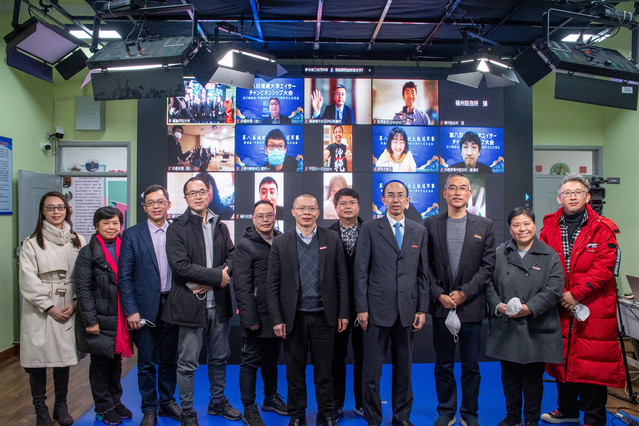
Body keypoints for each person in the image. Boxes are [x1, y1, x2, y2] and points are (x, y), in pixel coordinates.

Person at [539, 175, 624, 426]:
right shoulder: (548, 227)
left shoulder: (603, 228)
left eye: (578, 192)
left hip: (593, 306)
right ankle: (568, 410)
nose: (572, 196)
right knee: (562, 359)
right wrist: (559, 293)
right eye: (567, 192)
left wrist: (576, 293)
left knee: (593, 364)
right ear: (559, 198)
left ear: (587, 197)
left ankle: (594, 418)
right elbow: (542, 262)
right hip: (560, 304)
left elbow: (604, 267)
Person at [162, 177, 240, 426]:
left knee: (219, 357)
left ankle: (217, 402)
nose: (198, 196)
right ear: (185, 198)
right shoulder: (177, 228)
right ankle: (187, 411)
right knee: (187, 363)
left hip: (219, 305)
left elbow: (233, 257)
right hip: (190, 306)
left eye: (202, 191)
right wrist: (217, 277)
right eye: (192, 192)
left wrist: (215, 280)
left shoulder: (220, 226)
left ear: (209, 194)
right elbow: (180, 266)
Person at [267, 193, 349, 426]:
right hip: (293, 318)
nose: (306, 212)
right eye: (301, 208)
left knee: (325, 370)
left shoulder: (331, 238)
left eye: (311, 208)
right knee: (295, 371)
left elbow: (342, 278)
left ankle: (327, 412)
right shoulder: (281, 242)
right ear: (293, 212)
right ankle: (297, 414)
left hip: (325, 316)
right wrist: (277, 319)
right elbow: (272, 284)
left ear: (318, 212)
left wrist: (343, 312)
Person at [423, 172, 495, 426]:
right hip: (441, 306)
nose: (457, 192)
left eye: (463, 188)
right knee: (443, 364)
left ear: (469, 194)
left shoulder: (484, 225)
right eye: (452, 188)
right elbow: (425, 266)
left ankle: (469, 413)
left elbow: (487, 267)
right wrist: (438, 294)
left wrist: (465, 293)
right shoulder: (430, 224)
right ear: (444, 193)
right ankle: (446, 411)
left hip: (471, 307)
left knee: (471, 366)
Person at [354, 180, 428, 426]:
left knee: (404, 370)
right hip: (376, 311)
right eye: (390, 195)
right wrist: (362, 308)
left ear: (407, 200)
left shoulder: (419, 230)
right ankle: (373, 419)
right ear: (383, 199)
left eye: (400, 195)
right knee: (371, 372)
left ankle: (401, 418)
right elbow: (361, 272)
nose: (395, 200)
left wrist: (422, 308)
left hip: (407, 311)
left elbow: (423, 274)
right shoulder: (370, 229)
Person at [485, 206, 564, 426]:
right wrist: (498, 305)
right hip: (506, 325)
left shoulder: (549, 255)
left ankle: (531, 419)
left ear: (535, 226)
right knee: (509, 376)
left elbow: (555, 288)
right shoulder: (499, 253)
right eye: (516, 225)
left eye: (526, 224)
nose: (522, 229)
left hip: (536, 325)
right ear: (510, 229)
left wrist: (529, 308)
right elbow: (488, 284)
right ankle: (512, 416)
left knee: (532, 378)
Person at [19, 192, 85, 426]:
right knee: (37, 360)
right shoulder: (32, 243)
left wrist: (76, 303)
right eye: (50, 208)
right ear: (42, 212)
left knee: (62, 359)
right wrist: (49, 307)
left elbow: (85, 275)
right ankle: (40, 408)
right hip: (40, 308)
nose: (56, 212)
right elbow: (27, 279)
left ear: (67, 210)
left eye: (60, 207)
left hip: (69, 303)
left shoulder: (78, 240)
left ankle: (61, 405)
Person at [118, 185, 181, 426]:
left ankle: (167, 402)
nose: (156, 206)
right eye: (151, 203)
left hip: (173, 305)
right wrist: (131, 310)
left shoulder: (178, 232)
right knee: (145, 363)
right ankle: (149, 408)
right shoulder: (132, 235)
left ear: (168, 204)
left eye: (160, 202)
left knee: (169, 359)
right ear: (144, 207)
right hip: (143, 308)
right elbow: (124, 276)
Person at [75, 206, 134, 426]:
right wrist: (90, 321)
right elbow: (83, 289)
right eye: (106, 223)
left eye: (115, 223)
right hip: (98, 318)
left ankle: (115, 401)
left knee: (116, 361)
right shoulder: (87, 253)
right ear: (97, 226)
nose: (111, 227)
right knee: (100, 363)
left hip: (119, 316)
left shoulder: (126, 247)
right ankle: (103, 407)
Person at [234, 200, 289, 426]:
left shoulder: (282, 240)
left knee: (271, 359)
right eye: (260, 216)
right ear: (253, 219)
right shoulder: (245, 245)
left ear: (274, 217)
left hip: (276, 315)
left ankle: (270, 398)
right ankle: (249, 408)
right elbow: (242, 286)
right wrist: (249, 319)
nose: (265, 220)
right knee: (250, 361)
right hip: (255, 315)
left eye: (269, 215)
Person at [327, 188, 365, 419]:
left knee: (364, 356)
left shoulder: (371, 231)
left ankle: (362, 403)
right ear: (335, 207)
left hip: (364, 307)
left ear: (358, 206)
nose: (348, 207)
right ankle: (336, 403)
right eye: (342, 203)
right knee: (335, 357)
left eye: (352, 202)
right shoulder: (327, 234)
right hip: (335, 307)